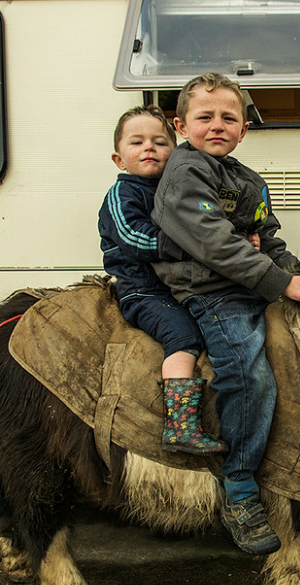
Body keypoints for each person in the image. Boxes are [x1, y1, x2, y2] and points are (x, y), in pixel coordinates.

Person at [151, 74, 300, 555]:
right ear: (182, 125)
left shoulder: (247, 179)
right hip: (211, 293)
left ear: (244, 128)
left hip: (248, 285)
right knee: (248, 373)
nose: (217, 125)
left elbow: (271, 237)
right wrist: (276, 279)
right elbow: (213, 242)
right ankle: (240, 488)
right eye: (205, 117)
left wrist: (294, 273)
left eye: (229, 117)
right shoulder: (185, 172)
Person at [98, 105, 227, 455]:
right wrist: (187, 246)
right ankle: (180, 426)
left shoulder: (173, 190)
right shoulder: (121, 196)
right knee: (182, 334)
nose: (149, 148)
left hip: (177, 286)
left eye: (159, 142)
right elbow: (133, 239)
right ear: (118, 159)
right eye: (137, 142)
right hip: (143, 291)